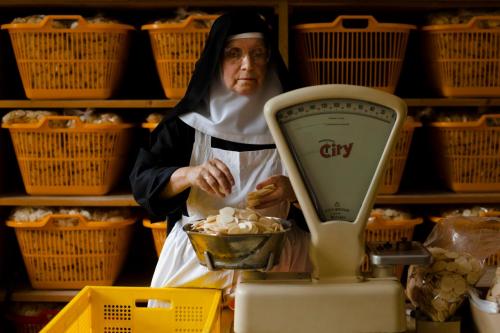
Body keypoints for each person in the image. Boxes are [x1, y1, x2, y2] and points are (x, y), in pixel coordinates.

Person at [130, 10, 311, 302]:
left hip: (279, 266)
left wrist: (294, 192)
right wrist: (188, 174)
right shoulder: (185, 125)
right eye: (234, 53)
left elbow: (332, 199)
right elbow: (141, 183)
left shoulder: (295, 125)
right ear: (216, 60)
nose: (247, 65)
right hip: (197, 263)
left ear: (270, 60)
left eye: (258, 54)